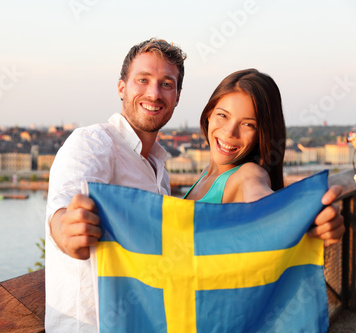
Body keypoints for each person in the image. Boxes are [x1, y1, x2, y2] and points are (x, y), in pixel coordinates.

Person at [45, 39, 345, 332]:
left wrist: (301, 218)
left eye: (166, 83)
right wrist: (65, 227)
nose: (154, 92)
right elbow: (64, 200)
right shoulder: (95, 143)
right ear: (122, 86)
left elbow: (262, 199)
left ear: (177, 96)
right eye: (143, 79)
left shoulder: (245, 173)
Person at [183, 68, 286, 204]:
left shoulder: (248, 174)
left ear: (261, 135)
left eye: (248, 124)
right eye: (223, 115)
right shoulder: (205, 174)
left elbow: (262, 199)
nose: (230, 132)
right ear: (209, 114)